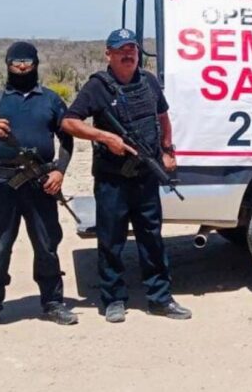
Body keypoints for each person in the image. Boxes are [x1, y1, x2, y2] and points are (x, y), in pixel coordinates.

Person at [61, 29, 191, 323]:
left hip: (145, 176)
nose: (128, 54)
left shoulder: (148, 82)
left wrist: (167, 150)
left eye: (132, 49)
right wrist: (105, 137)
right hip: (112, 180)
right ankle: (113, 300)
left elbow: (162, 116)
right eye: (121, 50)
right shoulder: (98, 87)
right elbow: (69, 122)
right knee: (111, 240)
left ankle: (160, 299)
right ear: (108, 54)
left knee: (152, 239)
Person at [0, 42, 77, 333]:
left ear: (36, 63)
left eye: (27, 61)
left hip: (41, 183)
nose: (21, 66)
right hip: (4, 184)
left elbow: (67, 139)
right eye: (16, 61)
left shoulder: (51, 100)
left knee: (47, 244)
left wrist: (60, 172)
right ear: (7, 64)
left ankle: (53, 302)